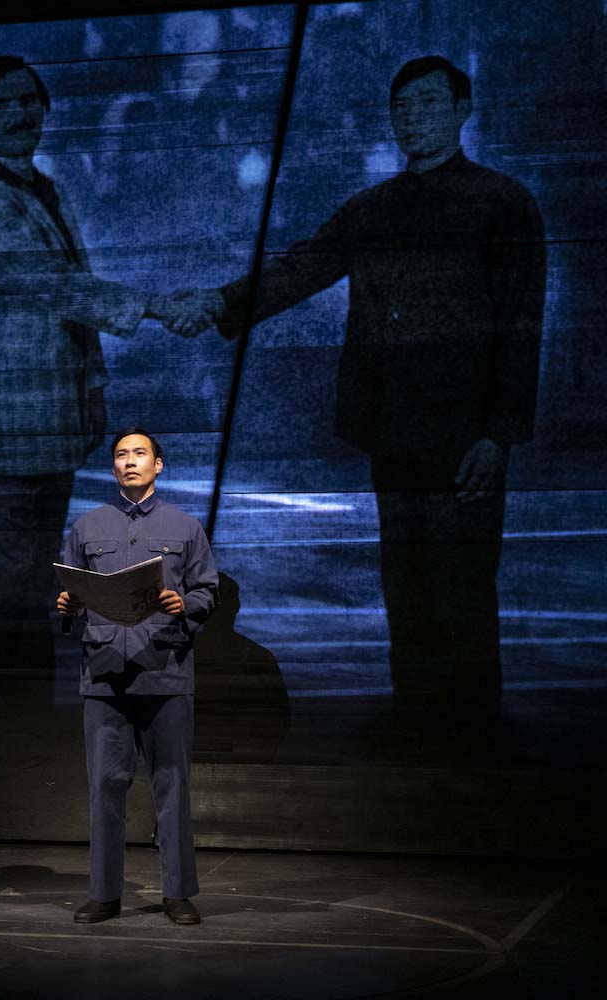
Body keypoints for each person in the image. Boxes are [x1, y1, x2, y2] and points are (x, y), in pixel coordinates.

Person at [176, 56, 546, 713]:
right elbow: (302, 268)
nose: (412, 117)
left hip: (465, 435)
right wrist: (220, 301)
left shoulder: (503, 203)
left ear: (463, 109)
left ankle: (471, 733)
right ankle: (418, 724)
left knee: (461, 589)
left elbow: (521, 323)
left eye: (428, 103)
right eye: (402, 106)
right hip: (394, 429)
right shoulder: (375, 208)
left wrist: (498, 433)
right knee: (407, 587)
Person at [0, 56, 201, 680]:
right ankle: (14, 714)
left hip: (51, 419)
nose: (20, 113)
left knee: (36, 580)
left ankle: (26, 709)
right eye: (2, 104)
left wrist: (93, 388)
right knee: (9, 586)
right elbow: (56, 286)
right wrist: (156, 306)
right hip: (4, 426)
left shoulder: (48, 189)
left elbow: (73, 297)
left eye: (28, 100)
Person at [57, 428, 219, 924]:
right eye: (122, 455)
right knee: (105, 785)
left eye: (140, 453)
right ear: (113, 468)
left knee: (171, 784)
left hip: (164, 671)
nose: (130, 461)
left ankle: (177, 893)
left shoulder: (185, 526)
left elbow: (207, 591)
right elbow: (69, 591)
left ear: (158, 465)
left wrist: (182, 603)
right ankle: (105, 893)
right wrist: (66, 606)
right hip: (105, 674)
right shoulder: (88, 526)